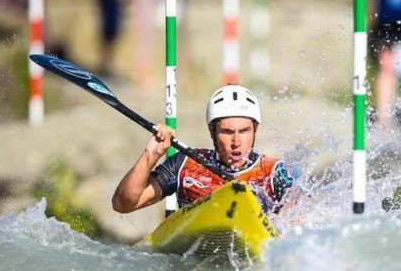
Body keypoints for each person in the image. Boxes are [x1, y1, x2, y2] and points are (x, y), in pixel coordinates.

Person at [112, 85, 293, 215]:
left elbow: (304, 217)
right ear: (212, 132)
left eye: (244, 131)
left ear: (255, 131)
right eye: (227, 132)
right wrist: (150, 156)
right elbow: (123, 204)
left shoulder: (273, 172)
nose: (236, 141)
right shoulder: (186, 164)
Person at [96, 0, 122, 76]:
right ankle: (104, 67)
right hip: (109, 23)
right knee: (107, 47)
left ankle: (105, 67)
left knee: (108, 47)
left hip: (111, 23)